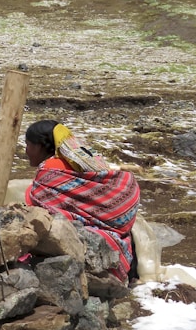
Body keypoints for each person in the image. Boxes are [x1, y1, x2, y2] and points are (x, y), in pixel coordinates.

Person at [24, 120, 140, 282]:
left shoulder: (48, 172)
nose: (26, 151)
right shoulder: (75, 163)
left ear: (40, 146)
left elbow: (44, 204)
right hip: (118, 234)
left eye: (28, 145)